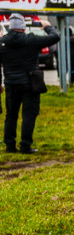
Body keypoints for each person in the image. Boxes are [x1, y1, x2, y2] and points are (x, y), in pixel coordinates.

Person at [0, 14, 59, 154]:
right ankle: (25, 145)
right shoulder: (31, 40)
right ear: (23, 28)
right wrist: (47, 26)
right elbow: (55, 37)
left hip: (11, 83)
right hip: (30, 83)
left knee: (11, 114)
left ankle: (10, 145)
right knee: (29, 114)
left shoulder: (2, 42)